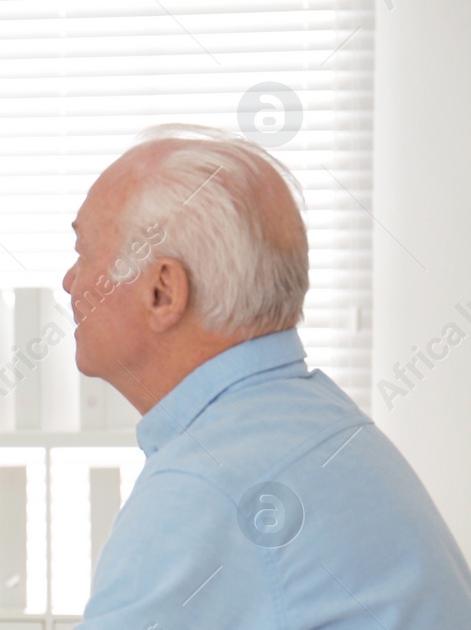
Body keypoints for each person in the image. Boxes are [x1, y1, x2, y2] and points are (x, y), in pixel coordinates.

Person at [65, 124, 471, 628]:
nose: (69, 280)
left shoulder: (205, 487)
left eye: (83, 253)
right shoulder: (325, 426)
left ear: (163, 291)